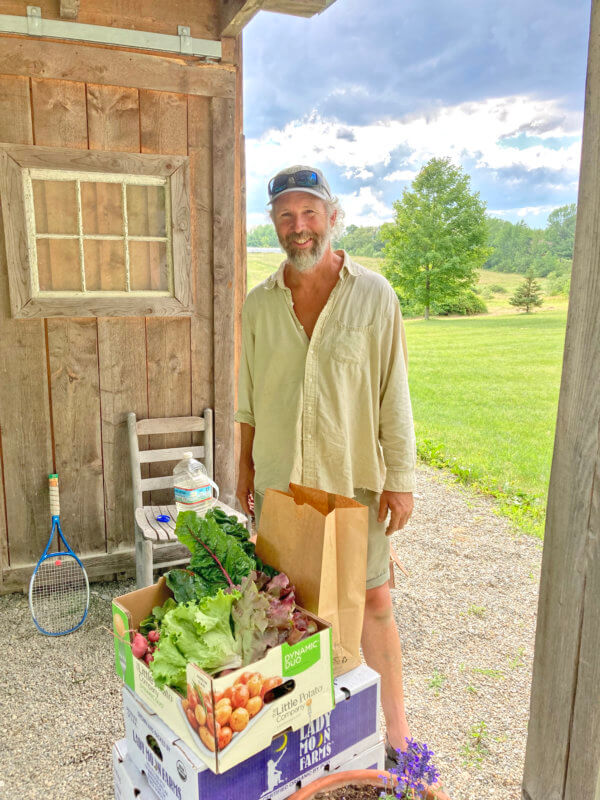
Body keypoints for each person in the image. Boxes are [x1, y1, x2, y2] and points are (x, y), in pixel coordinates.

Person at [235, 165, 417, 765]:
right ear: (276, 226)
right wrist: (243, 475)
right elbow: (249, 400)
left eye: (310, 213)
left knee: (373, 603)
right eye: (287, 216)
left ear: (333, 217)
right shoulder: (259, 305)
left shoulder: (374, 296)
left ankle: (397, 739)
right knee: (292, 611)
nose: (300, 227)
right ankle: (302, 740)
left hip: (351, 484)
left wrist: (402, 481)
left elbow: (395, 392)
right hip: (282, 489)